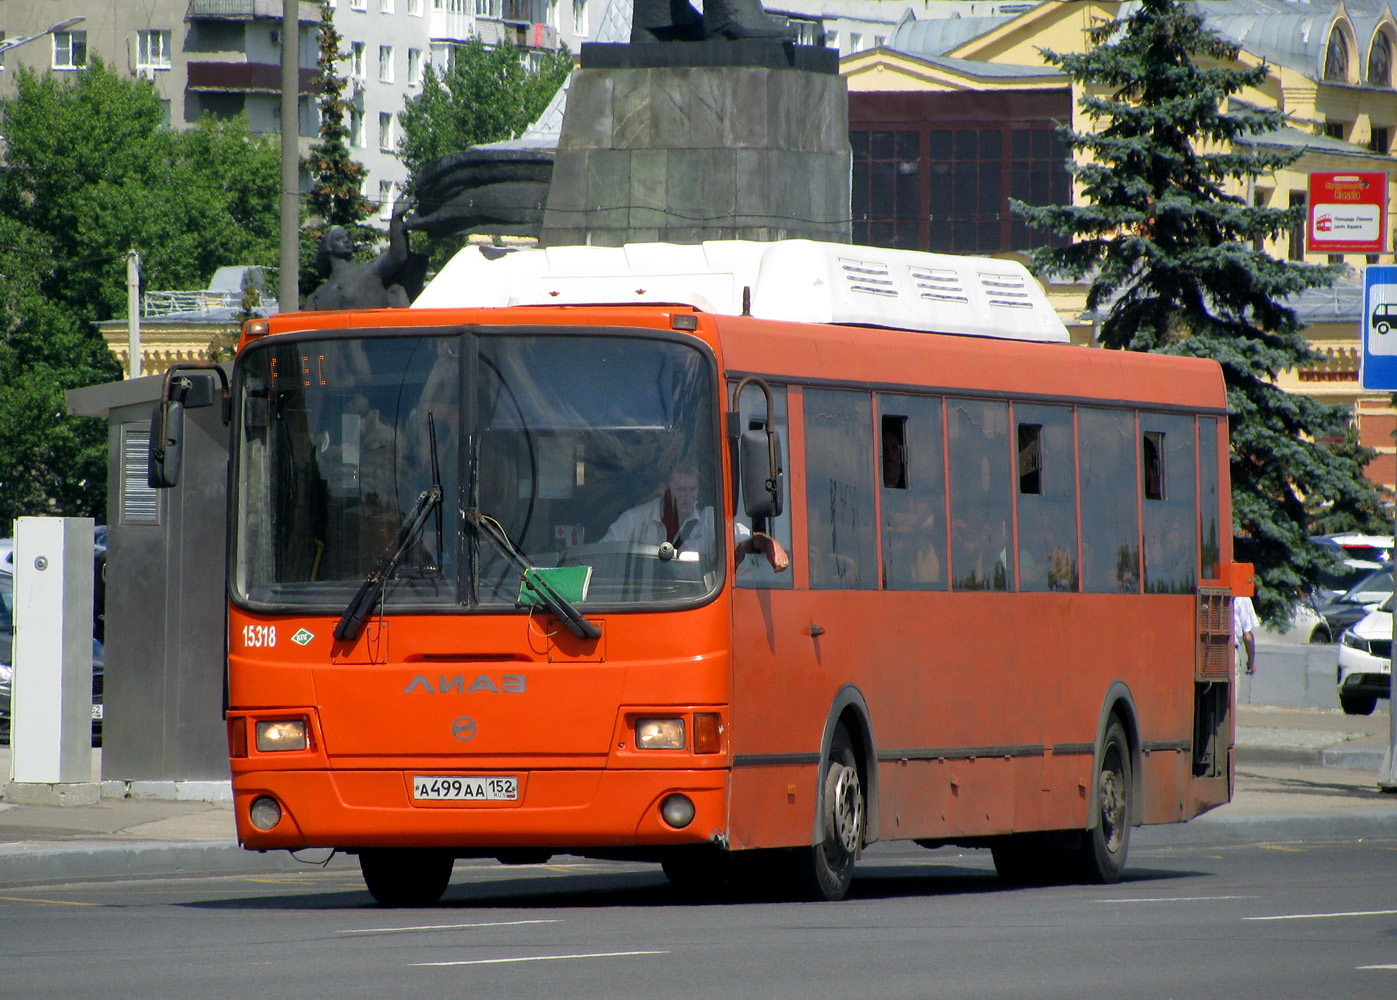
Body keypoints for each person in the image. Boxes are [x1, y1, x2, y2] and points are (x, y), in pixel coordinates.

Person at [603, 466, 788, 572]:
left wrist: (772, 545)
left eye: (693, 490)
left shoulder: (710, 519)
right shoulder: (634, 520)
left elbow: (746, 539)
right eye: (681, 490)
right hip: (643, 607)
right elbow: (605, 554)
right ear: (663, 489)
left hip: (694, 607)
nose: (688, 497)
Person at [1234, 593, 1258, 675]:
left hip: (1204, 653)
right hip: (1230, 652)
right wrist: (1251, 662)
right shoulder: (1241, 598)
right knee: (1232, 684)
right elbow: (1247, 637)